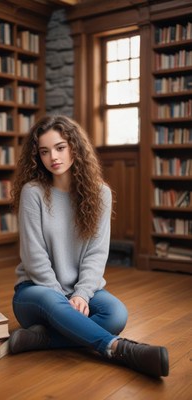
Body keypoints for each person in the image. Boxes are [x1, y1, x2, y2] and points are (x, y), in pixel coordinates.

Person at [9, 114, 169, 378]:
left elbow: (97, 253)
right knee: (51, 301)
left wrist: (82, 294)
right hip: (35, 293)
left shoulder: (100, 193)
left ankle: (43, 339)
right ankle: (120, 349)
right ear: (38, 156)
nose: (54, 157)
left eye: (60, 148)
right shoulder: (32, 192)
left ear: (75, 147)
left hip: (81, 293)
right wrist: (62, 298)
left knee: (116, 314)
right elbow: (33, 255)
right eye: (45, 151)